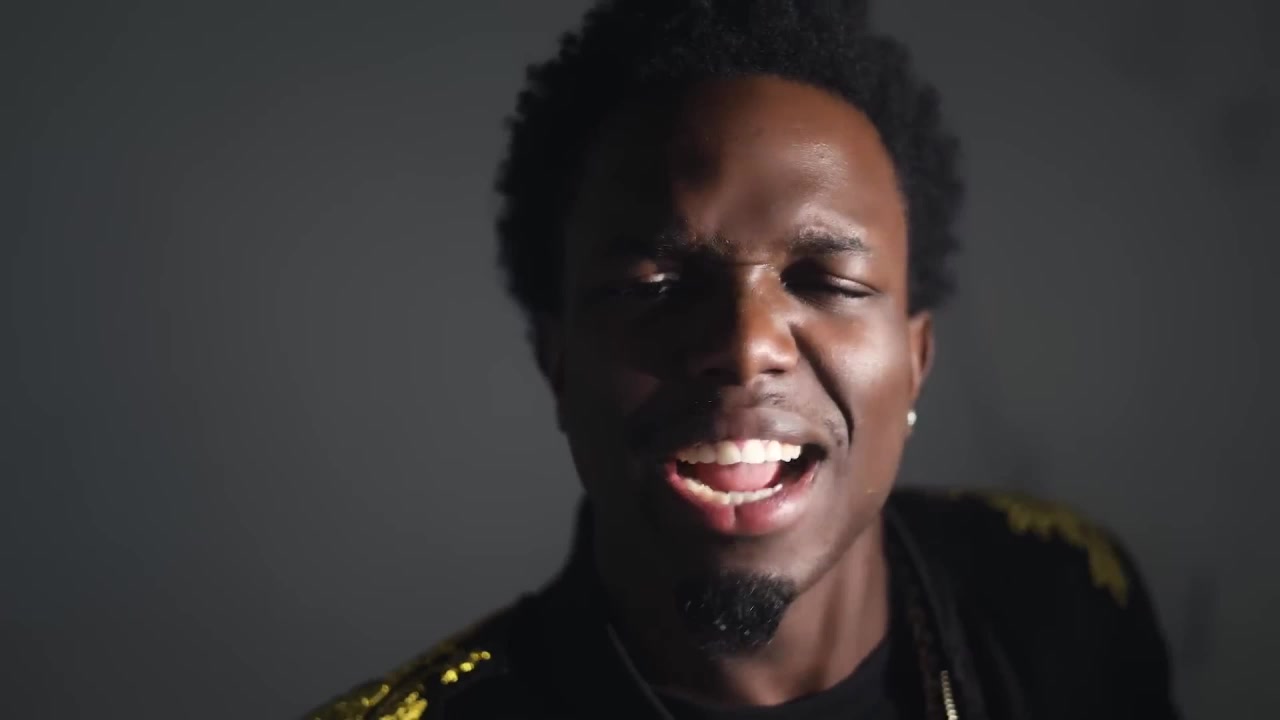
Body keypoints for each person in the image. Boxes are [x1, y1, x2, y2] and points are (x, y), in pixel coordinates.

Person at [304, 1, 1178, 718]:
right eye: (652, 285)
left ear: (916, 359)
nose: (746, 344)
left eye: (827, 280)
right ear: (557, 362)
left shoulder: (1065, 596)